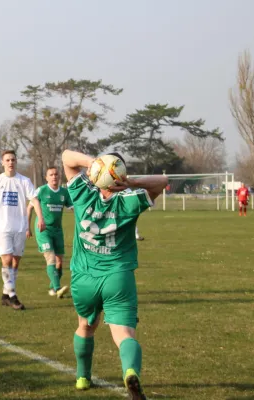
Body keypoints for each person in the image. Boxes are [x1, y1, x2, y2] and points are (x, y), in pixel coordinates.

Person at [62, 149, 167, 398]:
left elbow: (67, 156)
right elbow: (162, 182)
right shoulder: (129, 201)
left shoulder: (82, 195)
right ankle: (130, 371)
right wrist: (130, 182)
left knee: (86, 326)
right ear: (119, 173)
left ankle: (82, 378)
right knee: (123, 334)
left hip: (84, 277)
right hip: (118, 277)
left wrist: (94, 164)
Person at [0, 150, 45, 311]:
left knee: (15, 262)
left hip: (20, 227)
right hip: (2, 228)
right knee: (6, 260)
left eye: (13, 160)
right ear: (2, 163)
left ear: (16, 162)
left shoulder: (24, 181)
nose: (10, 162)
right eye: (7, 160)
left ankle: (5, 294)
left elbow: (34, 200)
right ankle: (13, 295)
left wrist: (41, 218)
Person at [27, 166, 73, 299]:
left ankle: (52, 287)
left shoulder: (64, 192)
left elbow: (73, 208)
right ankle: (58, 288)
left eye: (56, 174)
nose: (54, 177)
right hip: (43, 230)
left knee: (59, 262)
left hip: (58, 231)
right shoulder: (41, 191)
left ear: (59, 177)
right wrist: (27, 227)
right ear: (46, 178)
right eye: (51, 175)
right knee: (50, 258)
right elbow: (29, 208)